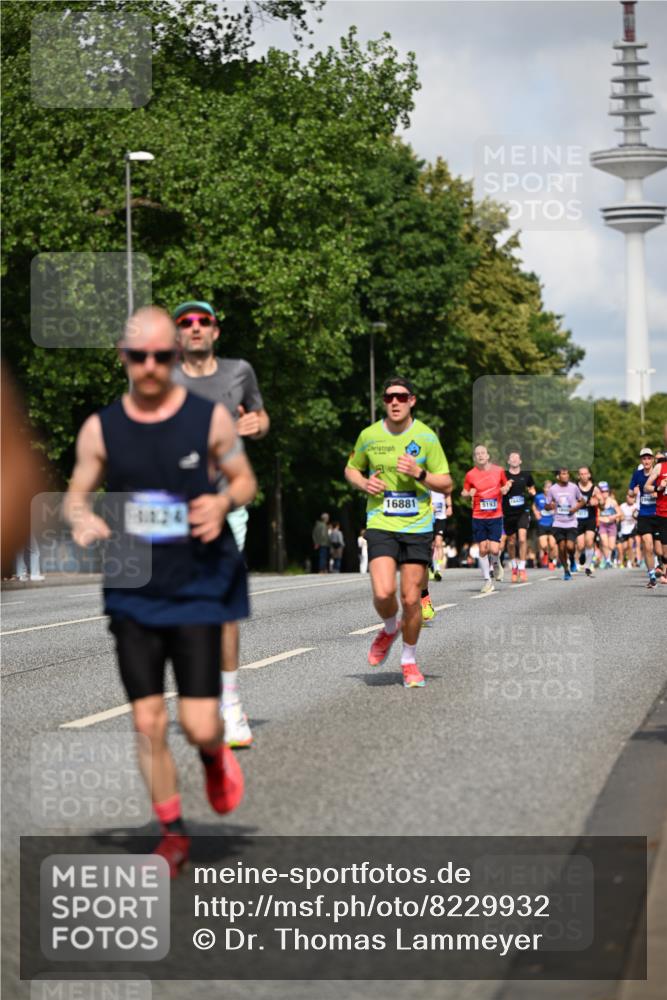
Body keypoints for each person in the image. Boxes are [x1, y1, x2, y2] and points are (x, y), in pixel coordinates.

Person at [64, 307, 257, 875]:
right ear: (124, 359)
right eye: (138, 357)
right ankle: (172, 833)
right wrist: (81, 519)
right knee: (147, 720)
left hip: (198, 581)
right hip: (133, 583)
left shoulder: (208, 420)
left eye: (161, 356)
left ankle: (214, 755)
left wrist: (222, 501)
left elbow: (243, 478)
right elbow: (77, 491)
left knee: (198, 724)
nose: (150, 367)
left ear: (176, 357)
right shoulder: (102, 427)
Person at [171, 299, 269, 750]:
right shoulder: (161, 375)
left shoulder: (238, 371)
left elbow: (261, 416)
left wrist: (256, 424)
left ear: (215, 330)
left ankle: (230, 703)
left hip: (228, 501)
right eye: (185, 323)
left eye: (202, 321)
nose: (194, 328)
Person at [345, 377, 452, 688]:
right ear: (384, 401)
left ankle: (408, 660)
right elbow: (351, 468)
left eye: (401, 397)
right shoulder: (369, 435)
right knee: (382, 592)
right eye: (390, 397)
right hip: (380, 521)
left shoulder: (426, 438)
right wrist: (364, 483)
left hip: (418, 526)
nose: (395, 402)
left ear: (412, 401)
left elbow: (446, 484)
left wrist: (419, 473)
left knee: (411, 599)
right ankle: (390, 627)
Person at [461, 445, 511, 594]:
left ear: (488, 456)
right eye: (477, 454)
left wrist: (505, 489)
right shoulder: (470, 475)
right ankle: (487, 581)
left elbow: (505, 485)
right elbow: (464, 491)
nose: (480, 456)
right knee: (482, 549)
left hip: (495, 515)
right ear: (475, 458)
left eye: (483, 453)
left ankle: (496, 563)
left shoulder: (499, 471)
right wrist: (468, 493)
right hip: (478, 516)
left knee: (494, 549)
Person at [544, 469, 585, 581]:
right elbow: (546, 505)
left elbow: (582, 501)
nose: (566, 476)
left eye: (567, 473)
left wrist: (575, 508)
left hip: (571, 522)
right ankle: (566, 571)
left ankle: (572, 559)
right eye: (563, 474)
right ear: (558, 476)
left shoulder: (573, 487)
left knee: (570, 546)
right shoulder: (553, 489)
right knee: (561, 547)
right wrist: (550, 506)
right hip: (558, 522)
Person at [501, 451, 535, 583]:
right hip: (508, 513)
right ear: (508, 461)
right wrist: (506, 486)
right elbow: (499, 491)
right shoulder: (503, 475)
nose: (514, 459)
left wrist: (532, 492)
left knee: (521, 538)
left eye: (517, 458)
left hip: (523, 511)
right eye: (512, 457)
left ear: (520, 461)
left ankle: (522, 568)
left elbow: (532, 488)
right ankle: (514, 566)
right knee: (511, 541)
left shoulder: (526, 475)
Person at [630, 448, 661, 588]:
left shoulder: (659, 473)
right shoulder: (637, 474)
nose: (646, 461)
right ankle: (652, 576)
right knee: (647, 547)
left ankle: (662, 566)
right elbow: (630, 492)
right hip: (644, 515)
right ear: (641, 460)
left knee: (660, 550)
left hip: (659, 514)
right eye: (644, 458)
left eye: (649, 458)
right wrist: (633, 491)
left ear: (653, 459)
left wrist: (657, 493)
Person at [644, 455, 667, 584]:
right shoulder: (660, 467)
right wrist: (659, 488)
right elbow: (646, 487)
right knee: (663, 551)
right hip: (663, 513)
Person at [575, 467, 601, 577]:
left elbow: (602, 500)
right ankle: (575, 563)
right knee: (580, 545)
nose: (583, 476)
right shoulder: (575, 488)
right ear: (578, 476)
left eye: (585, 474)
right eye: (581, 474)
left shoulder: (594, 488)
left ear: (589, 475)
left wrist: (597, 501)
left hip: (590, 519)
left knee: (589, 541)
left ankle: (588, 565)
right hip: (578, 519)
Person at [532, 480, 557, 570]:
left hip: (552, 523)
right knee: (543, 545)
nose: (548, 490)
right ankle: (546, 555)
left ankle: (551, 560)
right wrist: (536, 513)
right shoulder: (538, 497)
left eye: (550, 488)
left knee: (552, 545)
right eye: (547, 488)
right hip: (542, 523)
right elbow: (534, 506)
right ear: (544, 489)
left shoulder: (555, 498)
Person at [597, 483, 621, 568]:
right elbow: (596, 516)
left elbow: (619, 513)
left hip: (612, 525)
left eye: (606, 491)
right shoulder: (598, 502)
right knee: (604, 542)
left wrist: (613, 517)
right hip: (603, 525)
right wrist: (602, 519)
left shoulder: (612, 502)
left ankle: (610, 557)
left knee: (611, 545)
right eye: (603, 491)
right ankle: (607, 560)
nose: (605, 493)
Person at [618, 490, 638, 567]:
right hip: (624, 529)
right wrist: (621, 516)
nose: (630, 498)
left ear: (634, 498)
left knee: (630, 545)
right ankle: (625, 560)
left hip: (632, 528)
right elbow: (619, 516)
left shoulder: (636, 506)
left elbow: (638, 517)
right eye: (629, 497)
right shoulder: (622, 506)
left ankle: (631, 561)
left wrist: (634, 514)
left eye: (632, 497)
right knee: (624, 547)